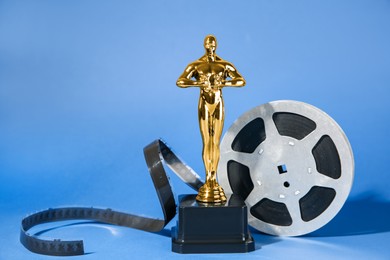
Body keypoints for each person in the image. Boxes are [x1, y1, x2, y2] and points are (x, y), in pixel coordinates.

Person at [177, 35, 245, 203]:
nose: (210, 46)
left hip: (218, 102)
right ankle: (209, 180)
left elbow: (240, 80)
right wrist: (200, 84)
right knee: (207, 142)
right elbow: (181, 81)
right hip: (205, 103)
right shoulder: (196, 65)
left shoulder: (223, 65)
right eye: (208, 43)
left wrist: (221, 84)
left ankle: (213, 181)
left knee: (216, 141)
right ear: (204, 45)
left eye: (212, 44)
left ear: (215, 45)